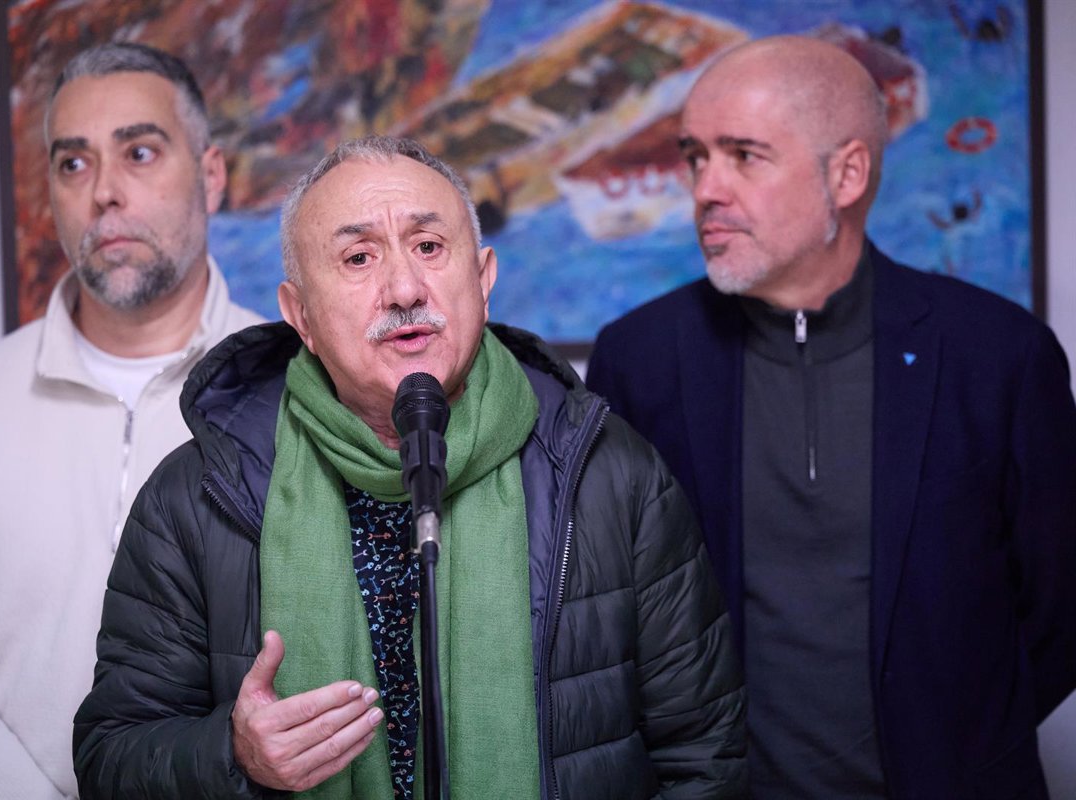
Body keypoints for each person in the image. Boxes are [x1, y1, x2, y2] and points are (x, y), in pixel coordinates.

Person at [71, 135, 747, 798]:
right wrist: (234, 754)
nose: (402, 288)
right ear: (300, 314)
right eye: (359, 257)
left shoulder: (610, 474)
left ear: (482, 279)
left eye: (428, 246)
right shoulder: (198, 494)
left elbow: (706, 757)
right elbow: (112, 754)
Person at [586, 35, 1076, 800]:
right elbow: (616, 620)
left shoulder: (999, 356)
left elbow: (1058, 612)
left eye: (743, 155)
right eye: (695, 157)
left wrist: (958, 743)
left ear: (846, 174)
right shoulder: (640, 359)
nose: (707, 188)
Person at [0, 43, 263, 799]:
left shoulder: (295, 393)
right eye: (73, 163)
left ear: (211, 176)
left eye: (139, 152)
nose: (105, 192)